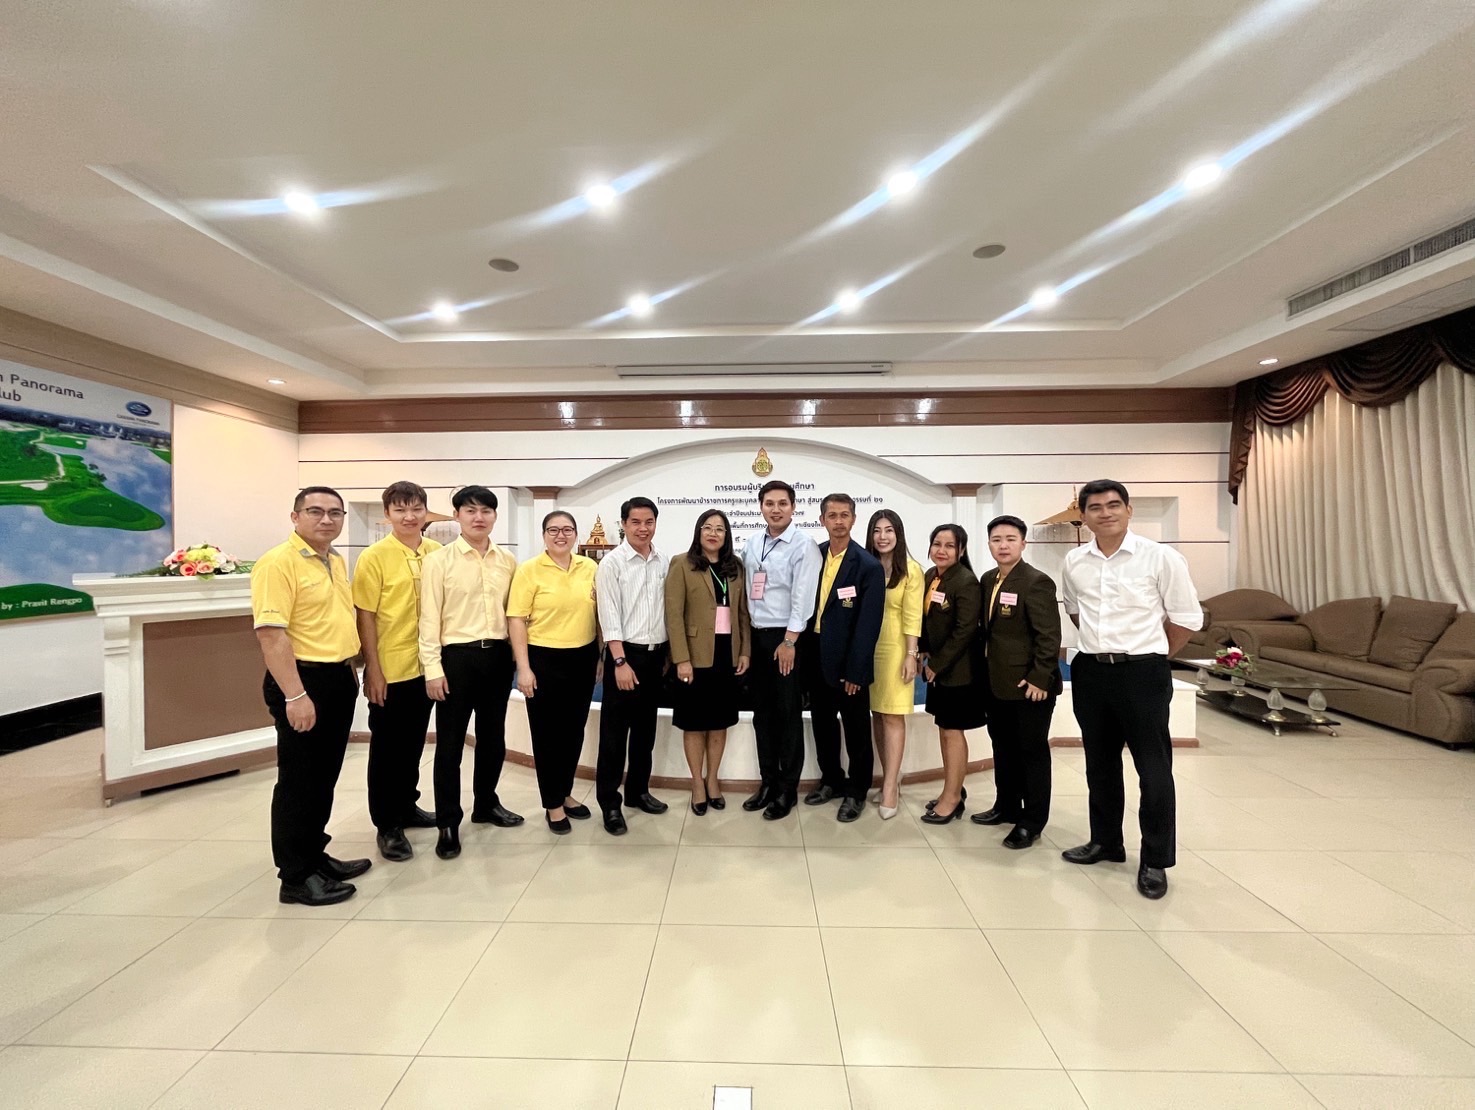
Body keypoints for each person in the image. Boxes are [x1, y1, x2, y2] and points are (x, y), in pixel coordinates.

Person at [1060, 479, 1203, 900]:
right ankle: (1106, 841)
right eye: (1095, 507)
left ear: (1128, 509)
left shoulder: (1160, 557)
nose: (1105, 513)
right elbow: (1075, 610)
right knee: (1099, 764)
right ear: (1083, 515)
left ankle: (1155, 859)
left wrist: (1153, 655)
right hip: (1092, 672)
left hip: (1142, 673)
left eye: (1113, 505)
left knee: (1153, 769)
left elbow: (1186, 618)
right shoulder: (1075, 561)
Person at [251, 486, 370, 907]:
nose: (326, 519)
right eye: (316, 511)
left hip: (337, 678)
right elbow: (271, 635)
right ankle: (296, 877)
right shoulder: (277, 563)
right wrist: (295, 695)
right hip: (304, 682)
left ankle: (315, 856)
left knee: (324, 777)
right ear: (295, 516)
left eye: (335, 513)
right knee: (299, 782)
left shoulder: (333, 560)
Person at [418, 485, 524, 862]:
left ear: (495, 516)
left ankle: (486, 804)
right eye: (470, 510)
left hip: (497, 657)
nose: (479, 518)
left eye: (486, 511)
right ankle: (448, 822)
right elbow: (428, 618)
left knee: (493, 739)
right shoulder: (438, 561)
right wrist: (432, 669)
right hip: (456, 660)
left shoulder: (507, 561)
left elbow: (515, 615)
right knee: (450, 746)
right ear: (457, 516)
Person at [352, 481, 442, 863]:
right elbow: (365, 615)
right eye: (400, 509)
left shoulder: (437, 552)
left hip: (428, 667)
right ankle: (387, 825)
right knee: (387, 749)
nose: (409, 516)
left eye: (416, 508)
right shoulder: (374, 557)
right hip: (390, 668)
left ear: (425, 512)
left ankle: (407, 805)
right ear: (387, 514)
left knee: (414, 743)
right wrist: (372, 668)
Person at [973, 514, 1062, 849]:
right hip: (996, 681)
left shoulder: (1036, 581)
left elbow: (1049, 636)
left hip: (1029, 686)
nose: (1003, 545)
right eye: (996, 539)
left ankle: (1032, 821)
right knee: (1003, 747)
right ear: (989, 544)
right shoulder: (989, 579)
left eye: (1010, 539)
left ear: (1023, 543)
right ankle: (1006, 806)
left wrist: (1040, 678)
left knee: (1031, 753)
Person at [508, 511, 600, 835]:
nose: (561, 535)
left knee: (574, 732)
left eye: (567, 530)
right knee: (547, 735)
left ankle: (565, 792)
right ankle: (552, 804)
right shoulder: (529, 570)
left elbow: (598, 613)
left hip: (583, 657)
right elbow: (516, 619)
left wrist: (600, 655)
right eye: (553, 530)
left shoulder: (589, 567)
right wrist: (524, 668)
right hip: (544, 659)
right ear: (544, 534)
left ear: (576, 534)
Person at [739, 480, 824, 820]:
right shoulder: (752, 543)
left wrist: (789, 641)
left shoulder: (804, 546)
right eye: (769, 503)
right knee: (762, 715)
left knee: (787, 715)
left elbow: (803, 597)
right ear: (761, 506)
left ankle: (787, 789)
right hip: (757, 636)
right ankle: (768, 782)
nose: (776, 509)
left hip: (787, 639)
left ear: (793, 507)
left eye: (782, 504)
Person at [801, 493, 885, 822]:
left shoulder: (868, 565)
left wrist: (856, 671)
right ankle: (831, 780)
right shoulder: (814, 555)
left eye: (844, 515)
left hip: (850, 662)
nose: (838, 521)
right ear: (822, 520)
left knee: (856, 731)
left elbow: (868, 625)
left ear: (853, 519)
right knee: (823, 725)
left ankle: (857, 790)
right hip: (816, 656)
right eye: (832, 515)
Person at [666, 509, 752, 814]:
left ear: (727, 535)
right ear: (698, 532)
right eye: (708, 527)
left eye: (720, 529)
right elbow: (673, 615)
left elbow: (742, 613)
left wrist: (745, 651)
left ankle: (713, 779)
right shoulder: (682, 564)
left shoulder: (735, 567)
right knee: (694, 724)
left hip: (727, 655)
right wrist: (681, 659)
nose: (713, 533)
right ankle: (697, 784)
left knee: (719, 723)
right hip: (695, 656)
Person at [594, 496, 670, 835]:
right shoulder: (612, 564)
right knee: (614, 735)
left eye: (648, 522)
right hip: (625, 657)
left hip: (655, 657)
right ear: (623, 524)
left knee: (645, 731)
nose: (643, 528)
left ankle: (638, 792)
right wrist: (620, 660)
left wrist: (667, 654)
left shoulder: (663, 561)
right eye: (636, 522)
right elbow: (608, 615)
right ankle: (610, 803)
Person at [918, 523, 985, 825]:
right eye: (937, 544)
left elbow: (964, 631)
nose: (941, 550)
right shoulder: (931, 576)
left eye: (949, 545)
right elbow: (927, 620)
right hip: (939, 669)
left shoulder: (965, 581)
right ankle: (952, 789)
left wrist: (937, 664)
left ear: (961, 550)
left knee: (952, 731)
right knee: (944, 729)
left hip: (959, 671)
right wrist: (922, 649)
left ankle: (953, 797)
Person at [865, 510, 924, 820]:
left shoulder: (911, 570)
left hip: (897, 648)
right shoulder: (867, 566)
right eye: (877, 531)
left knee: (892, 715)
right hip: (869, 648)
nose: (883, 537)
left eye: (889, 530)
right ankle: (890, 777)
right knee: (877, 713)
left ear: (898, 534)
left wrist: (911, 654)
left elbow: (913, 616)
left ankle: (890, 787)